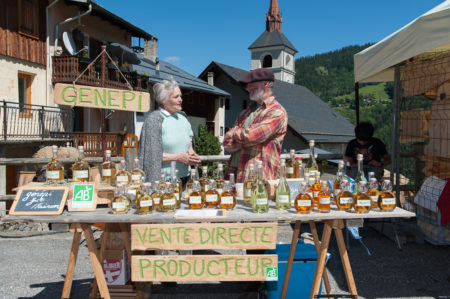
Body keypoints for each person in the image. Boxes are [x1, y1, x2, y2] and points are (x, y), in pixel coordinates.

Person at [223, 68, 288, 183]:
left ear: (266, 83)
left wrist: (235, 134)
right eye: (247, 85)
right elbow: (227, 144)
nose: (247, 88)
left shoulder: (277, 112)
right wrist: (244, 139)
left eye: (251, 84)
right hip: (234, 174)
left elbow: (252, 136)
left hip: (258, 179)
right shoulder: (245, 113)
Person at [138, 79, 201, 185]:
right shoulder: (154, 120)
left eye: (180, 96)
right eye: (176, 97)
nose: (180, 100)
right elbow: (151, 156)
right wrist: (179, 157)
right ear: (164, 100)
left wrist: (191, 154)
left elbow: (189, 142)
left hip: (186, 179)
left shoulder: (183, 118)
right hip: (164, 181)